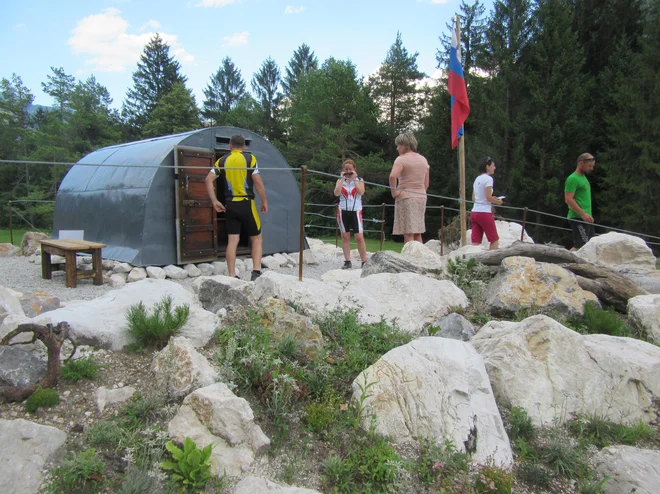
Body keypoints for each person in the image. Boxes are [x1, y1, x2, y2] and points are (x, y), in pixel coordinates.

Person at [205, 134, 268, 281]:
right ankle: (256, 272)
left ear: (230, 146)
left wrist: (214, 201)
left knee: (233, 240)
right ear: (244, 146)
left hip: (230, 204)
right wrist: (264, 201)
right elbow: (257, 182)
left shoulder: (222, 160)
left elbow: (208, 179)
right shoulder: (249, 158)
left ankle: (232, 274)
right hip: (247, 203)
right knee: (257, 238)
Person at [388, 132, 430, 243]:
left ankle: (409, 258)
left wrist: (394, 193)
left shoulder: (401, 159)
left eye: (399, 145)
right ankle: (420, 258)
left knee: (408, 232)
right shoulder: (423, 160)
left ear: (405, 145)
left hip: (406, 197)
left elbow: (392, 176)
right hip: (421, 197)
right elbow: (426, 184)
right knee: (417, 231)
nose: (397, 148)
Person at [334, 159, 368, 269]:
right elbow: (336, 193)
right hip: (343, 211)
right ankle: (347, 261)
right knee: (345, 236)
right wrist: (341, 179)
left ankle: (364, 261)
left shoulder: (359, 180)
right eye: (346, 169)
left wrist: (354, 179)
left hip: (356, 211)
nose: (348, 171)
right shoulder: (340, 181)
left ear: (354, 169)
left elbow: (361, 192)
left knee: (359, 237)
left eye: (350, 169)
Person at [564, 153, 596, 251]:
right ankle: (563, 264)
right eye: (589, 166)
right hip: (578, 218)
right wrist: (582, 214)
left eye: (593, 166)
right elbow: (568, 199)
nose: (591, 169)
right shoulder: (573, 179)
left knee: (590, 245)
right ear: (581, 163)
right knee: (580, 246)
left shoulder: (583, 177)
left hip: (586, 218)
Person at [470, 156, 503, 250]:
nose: (494, 168)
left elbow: (474, 197)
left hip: (475, 211)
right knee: (494, 239)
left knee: (475, 241)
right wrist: (498, 202)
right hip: (484, 212)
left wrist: (490, 198)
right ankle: (492, 260)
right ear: (487, 166)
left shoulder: (477, 179)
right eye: (493, 165)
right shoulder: (489, 179)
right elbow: (488, 198)